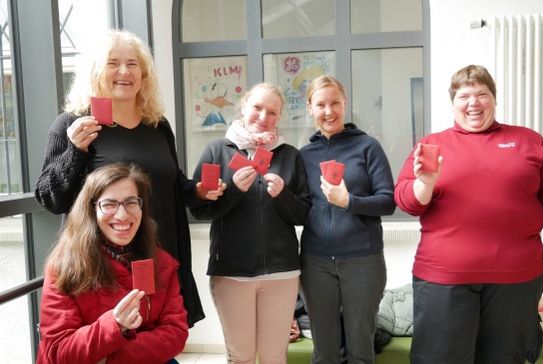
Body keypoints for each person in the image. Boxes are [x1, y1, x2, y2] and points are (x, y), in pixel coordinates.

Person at [395, 65, 543, 364]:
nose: (474, 103)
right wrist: (425, 182)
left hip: (516, 279)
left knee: (507, 358)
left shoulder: (528, 141)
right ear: (453, 103)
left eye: (482, 94)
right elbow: (407, 202)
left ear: (494, 99)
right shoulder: (432, 146)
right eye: (464, 96)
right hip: (444, 279)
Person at [34, 29, 204, 326]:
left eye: (133, 63)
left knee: (159, 345)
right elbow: (51, 198)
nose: (124, 71)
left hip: (161, 259)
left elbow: (170, 182)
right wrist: (75, 151)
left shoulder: (158, 126)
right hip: (102, 270)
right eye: (113, 63)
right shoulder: (72, 124)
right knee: (110, 343)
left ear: (145, 74)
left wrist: (197, 191)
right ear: (96, 71)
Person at [191, 82, 311, 364]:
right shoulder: (217, 151)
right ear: (244, 106)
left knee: (274, 356)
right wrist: (233, 190)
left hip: (282, 274)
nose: (263, 116)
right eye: (257, 107)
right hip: (232, 272)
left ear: (279, 117)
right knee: (241, 356)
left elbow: (303, 214)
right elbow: (199, 211)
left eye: (272, 112)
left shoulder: (290, 156)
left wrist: (282, 195)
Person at [37, 164, 188, 364]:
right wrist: (114, 325)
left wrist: (112, 355)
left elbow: (176, 333)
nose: (123, 215)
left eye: (131, 202)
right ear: (91, 210)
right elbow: (59, 351)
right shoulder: (65, 267)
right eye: (109, 204)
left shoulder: (162, 264)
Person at [299, 75, 396, 364]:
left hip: (363, 262)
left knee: (360, 350)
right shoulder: (303, 155)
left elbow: (388, 201)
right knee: (325, 352)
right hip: (315, 263)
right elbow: (298, 207)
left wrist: (349, 202)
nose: (328, 111)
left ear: (345, 104)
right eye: (321, 104)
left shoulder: (368, 147)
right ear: (310, 108)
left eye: (335, 103)